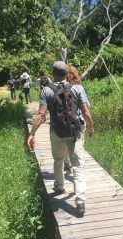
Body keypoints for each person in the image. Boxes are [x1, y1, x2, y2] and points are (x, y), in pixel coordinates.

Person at [27, 61, 94, 217]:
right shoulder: (77, 88)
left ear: (53, 73)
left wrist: (31, 134)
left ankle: (59, 186)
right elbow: (85, 112)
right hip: (74, 131)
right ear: (66, 73)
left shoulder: (46, 90)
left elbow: (41, 114)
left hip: (56, 131)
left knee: (58, 161)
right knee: (77, 165)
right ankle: (80, 201)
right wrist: (90, 127)